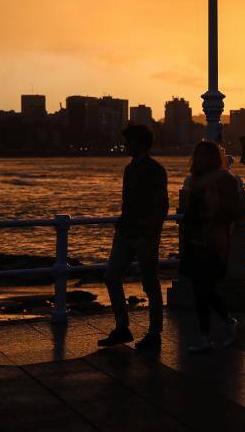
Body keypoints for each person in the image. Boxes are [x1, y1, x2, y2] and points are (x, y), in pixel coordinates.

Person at [99, 124, 168, 350]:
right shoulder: (131, 169)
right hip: (127, 232)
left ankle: (153, 333)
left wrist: (149, 229)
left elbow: (161, 205)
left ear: (140, 142)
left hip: (143, 234)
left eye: (130, 140)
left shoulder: (155, 170)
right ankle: (123, 328)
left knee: (150, 283)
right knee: (112, 276)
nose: (126, 144)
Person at [180, 141, 245, 353]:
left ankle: (215, 330)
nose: (199, 159)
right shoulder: (195, 181)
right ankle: (216, 329)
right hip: (196, 239)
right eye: (197, 155)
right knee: (202, 289)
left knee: (204, 288)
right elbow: (189, 213)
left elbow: (236, 211)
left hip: (214, 239)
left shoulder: (225, 180)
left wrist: (213, 215)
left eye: (203, 155)